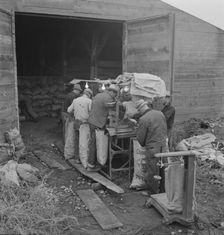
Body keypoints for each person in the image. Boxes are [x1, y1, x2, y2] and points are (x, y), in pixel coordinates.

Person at [136, 99, 167, 194]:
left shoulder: (143, 119)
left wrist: (137, 131)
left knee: (152, 171)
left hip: (152, 148)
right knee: (163, 169)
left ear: (141, 109)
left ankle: (153, 192)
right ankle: (163, 190)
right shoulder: (160, 113)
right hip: (163, 146)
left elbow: (141, 139)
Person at [87, 84, 119, 171]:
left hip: (92, 121)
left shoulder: (98, 94)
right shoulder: (108, 98)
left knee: (93, 143)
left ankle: (95, 163)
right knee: (96, 144)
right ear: (112, 92)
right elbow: (113, 106)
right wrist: (118, 102)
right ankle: (92, 165)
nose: (115, 96)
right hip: (98, 123)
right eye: (115, 94)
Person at [67, 88, 93, 166]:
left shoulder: (75, 100)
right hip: (84, 123)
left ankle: (77, 158)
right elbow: (91, 113)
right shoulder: (89, 101)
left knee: (77, 140)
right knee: (84, 143)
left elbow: (69, 110)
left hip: (76, 122)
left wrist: (77, 111)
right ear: (89, 94)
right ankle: (84, 161)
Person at [63, 83, 82, 161]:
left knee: (68, 134)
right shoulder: (72, 96)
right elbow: (72, 108)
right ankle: (69, 154)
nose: (79, 93)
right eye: (79, 91)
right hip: (70, 116)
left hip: (67, 115)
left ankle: (68, 153)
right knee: (70, 136)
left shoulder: (70, 95)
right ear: (76, 90)